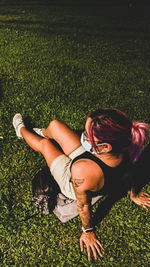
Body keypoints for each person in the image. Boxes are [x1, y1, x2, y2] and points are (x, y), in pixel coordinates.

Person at [12, 108, 150, 261]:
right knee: (56, 125)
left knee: (45, 145)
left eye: (87, 136)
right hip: (92, 158)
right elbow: (129, 171)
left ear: (105, 147)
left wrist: (88, 230)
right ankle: (41, 131)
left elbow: (83, 205)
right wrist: (134, 193)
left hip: (71, 179)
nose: (83, 136)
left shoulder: (81, 171)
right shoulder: (128, 145)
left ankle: (21, 129)